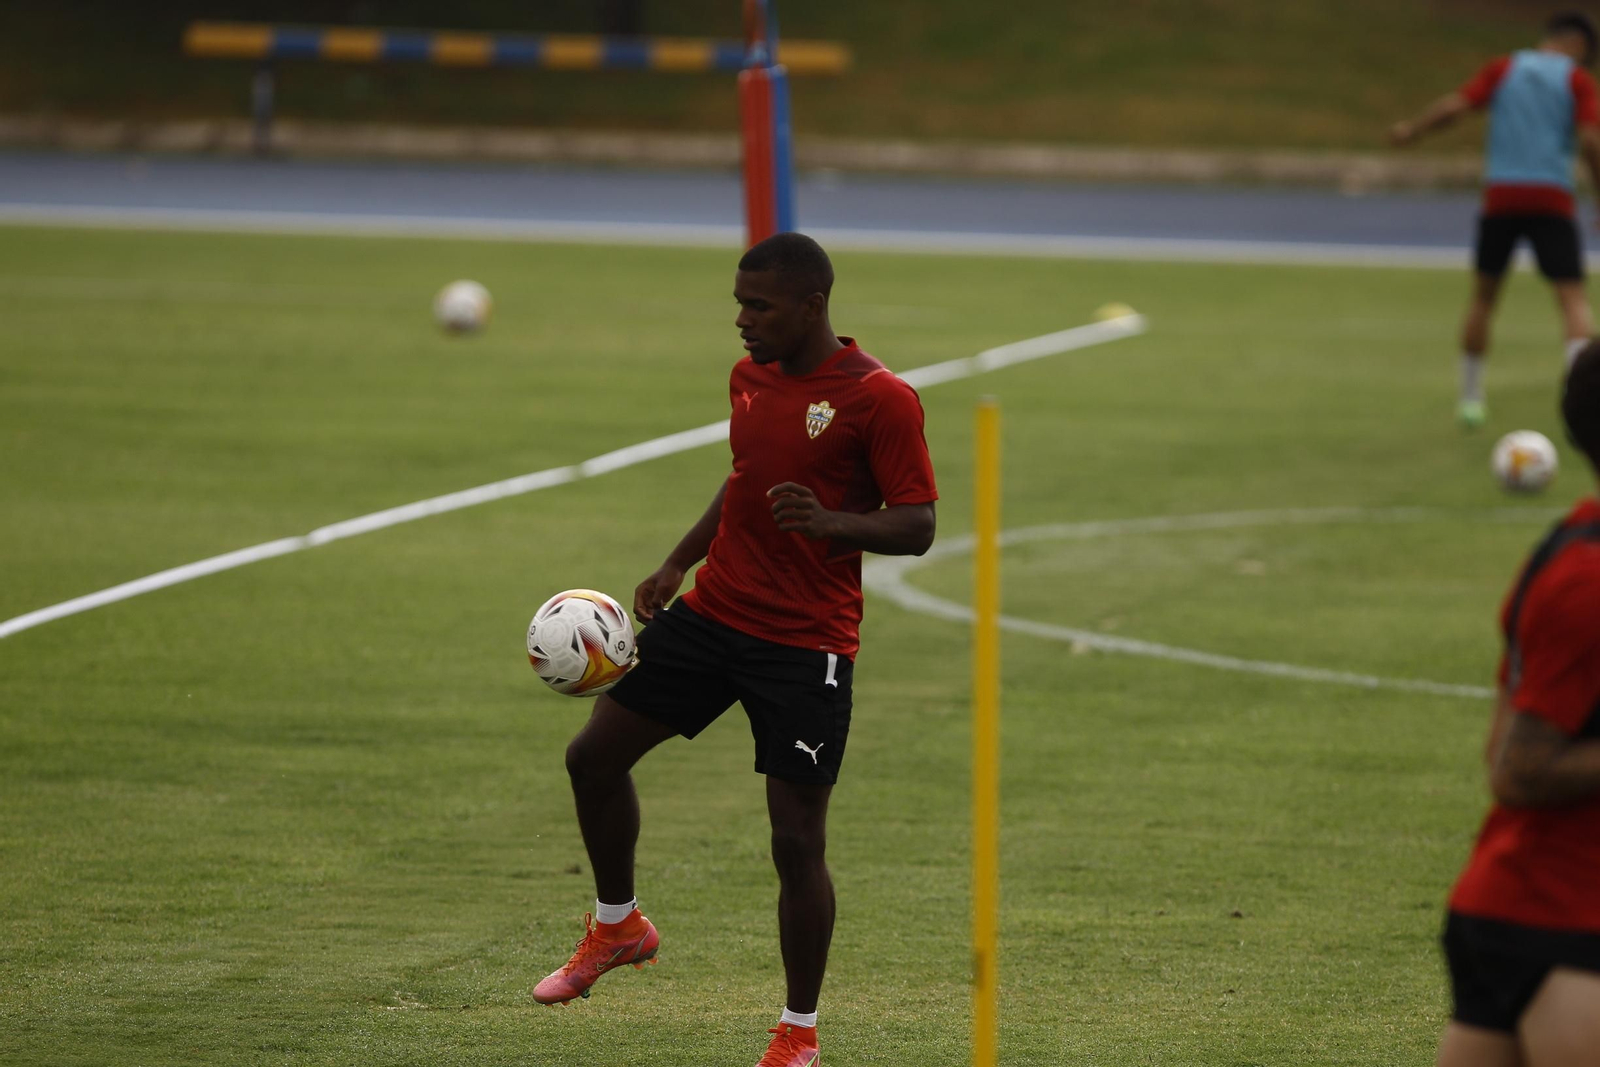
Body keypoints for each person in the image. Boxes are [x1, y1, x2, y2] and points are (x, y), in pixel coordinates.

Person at [532, 232, 938, 1067]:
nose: (743, 322)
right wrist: (680, 559)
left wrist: (833, 524)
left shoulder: (880, 399)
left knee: (795, 841)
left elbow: (919, 523)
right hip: (716, 613)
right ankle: (618, 925)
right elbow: (746, 475)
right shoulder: (750, 377)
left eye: (760, 306)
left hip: (806, 644)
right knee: (592, 758)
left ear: (813, 306)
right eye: (739, 304)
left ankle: (798, 1034)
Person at [1436, 341, 1600, 1067]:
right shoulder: (1585, 580)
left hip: (1519, 901)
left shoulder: (1567, 548)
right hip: (1562, 918)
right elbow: (1517, 767)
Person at [1388, 11, 1600, 429]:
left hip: (1501, 196)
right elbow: (1591, 140)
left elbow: (1457, 105)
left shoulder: (1506, 68)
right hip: (1552, 198)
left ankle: (1470, 398)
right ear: (1576, 44)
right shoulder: (1575, 81)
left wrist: (1413, 130)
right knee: (1572, 299)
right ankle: (1582, 399)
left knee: (1484, 299)